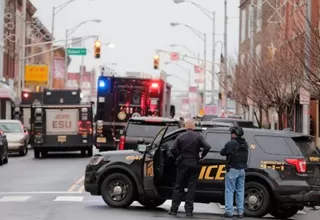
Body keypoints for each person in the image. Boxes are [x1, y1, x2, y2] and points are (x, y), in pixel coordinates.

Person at [168, 119, 211, 217]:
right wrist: (201, 156)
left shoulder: (180, 136)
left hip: (182, 163)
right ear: (194, 127)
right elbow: (207, 146)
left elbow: (172, 149)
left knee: (178, 186)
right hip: (194, 163)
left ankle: (174, 209)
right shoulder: (198, 136)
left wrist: (177, 157)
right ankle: (189, 211)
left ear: (186, 127)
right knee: (191, 188)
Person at [220, 126, 249, 218]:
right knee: (240, 191)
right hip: (242, 170)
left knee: (229, 190)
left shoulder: (231, 143)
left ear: (234, 134)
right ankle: (240, 212)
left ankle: (229, 212)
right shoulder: (245, 143)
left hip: (232, 169)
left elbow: (222, 152)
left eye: (232, 133)